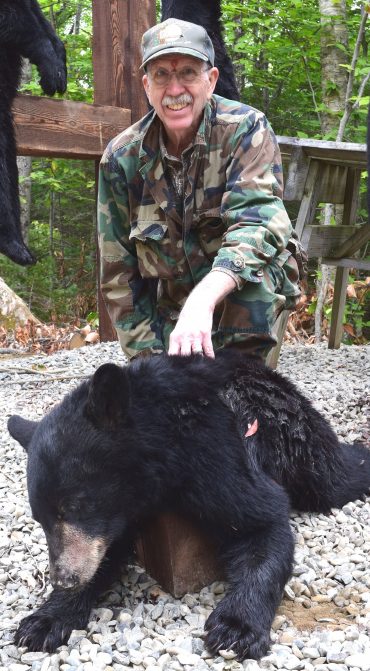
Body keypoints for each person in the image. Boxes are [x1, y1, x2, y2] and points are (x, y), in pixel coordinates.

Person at [98, 18, 302, 361]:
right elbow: (119, 276)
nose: (175, 89)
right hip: (173, 311)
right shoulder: (122, 159)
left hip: (239, 295)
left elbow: (260, 224)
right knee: (165, 399)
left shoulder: (245, 130)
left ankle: (247, 388)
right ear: (146, 85)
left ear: (211, 80)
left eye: (188, 73)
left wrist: (203, 300)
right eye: (161, 74)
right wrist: (149, 369)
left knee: (261, 274)